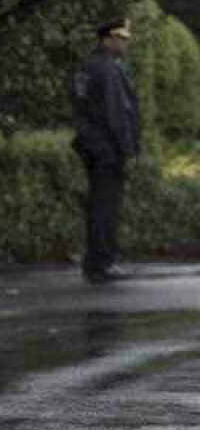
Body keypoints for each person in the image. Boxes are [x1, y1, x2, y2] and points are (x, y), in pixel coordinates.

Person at [71, 17, 140, 284]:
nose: (126, 43)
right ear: (107, 39)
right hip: (108, 147)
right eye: (121, 38)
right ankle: (103, 263)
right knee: (106, 206)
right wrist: (127, 148)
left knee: (98, 204)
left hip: (91, 143)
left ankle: (96, 262)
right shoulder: (108, 69)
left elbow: (79, 106)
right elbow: (117, 112)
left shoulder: (86, 66)